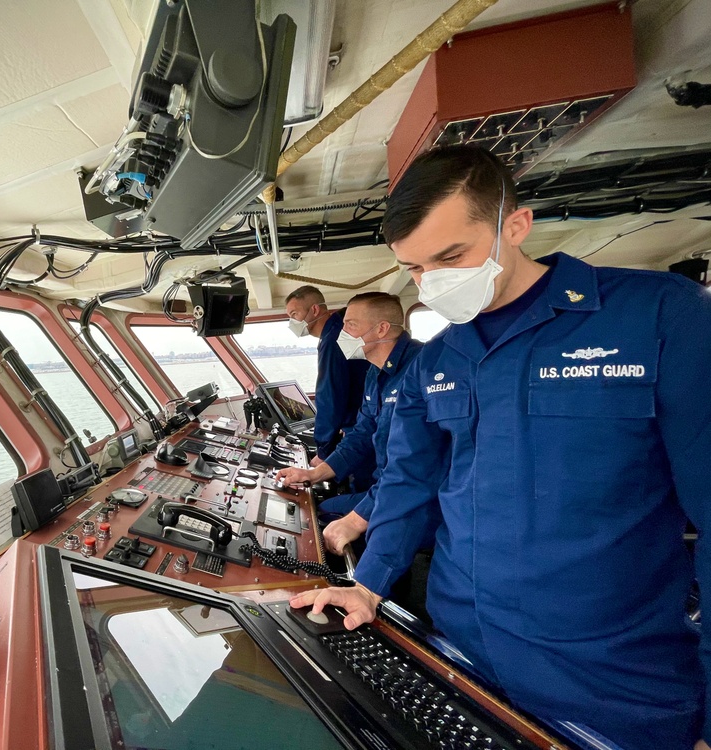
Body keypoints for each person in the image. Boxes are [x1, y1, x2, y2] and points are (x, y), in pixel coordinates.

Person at [291, 144, 711, 750]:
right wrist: (370, 582)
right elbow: (410, 481)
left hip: (611, 673)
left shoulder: (662, 316)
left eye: (452, 255)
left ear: (515, 226)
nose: (434, 281)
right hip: (459, 646)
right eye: (415, 269)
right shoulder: (432, 363)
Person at [276, 292, 423, 558]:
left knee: (322, 511)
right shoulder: (374, 371)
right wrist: (313, 474)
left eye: (351, 324)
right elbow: (362, 434)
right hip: (388, 484)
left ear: (381, 329)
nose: (342, 331)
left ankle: (377, 587)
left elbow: (414, 465)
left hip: (416, 495)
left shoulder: (419, 369)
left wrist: (357, 519)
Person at [285, 286, 368, 463]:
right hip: (361, 421)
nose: (292, 322)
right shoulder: (336, 332)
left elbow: (330, 396)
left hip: (359, 426)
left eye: (294, 314)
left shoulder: (333, 340)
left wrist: (323, 451)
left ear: (314, 309)